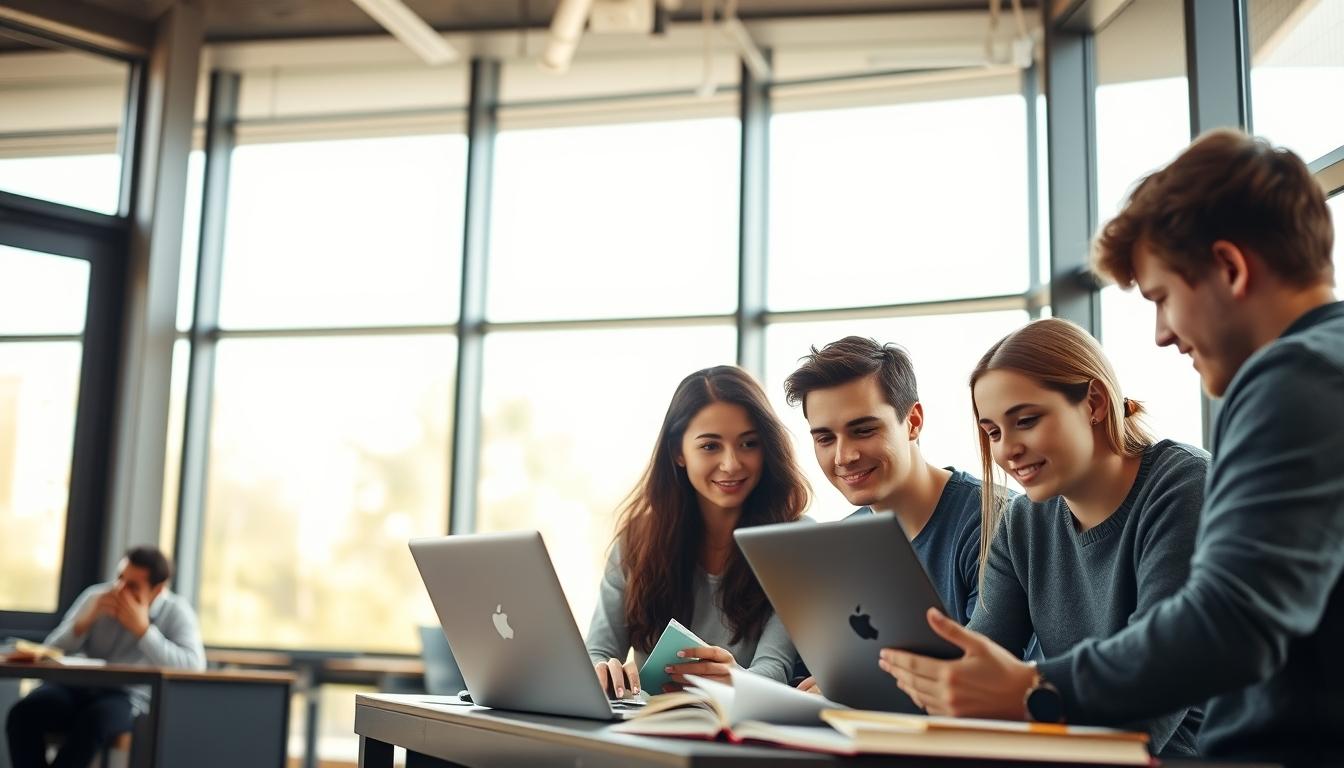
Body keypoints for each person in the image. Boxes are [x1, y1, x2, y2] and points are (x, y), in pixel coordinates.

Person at [879, 129, 1342, 764]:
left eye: (1161, 298)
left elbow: (1228, 623)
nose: (1160, 335)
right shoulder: (1320, 372)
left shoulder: (1293, 381)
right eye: (992, 430)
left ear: (1231, 269)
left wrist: (1037, 689)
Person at [898, 318, 1208, 754]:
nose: (1007, 450)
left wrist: (1019, 695)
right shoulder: (1022, 522)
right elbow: (980, 663)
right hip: (1069, 750)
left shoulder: (1183, 486)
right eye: (993, 432)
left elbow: (1153, 704)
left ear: (1095, 402)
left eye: (1026, 420)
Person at [585, 366, 810, 698]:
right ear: (678, 452)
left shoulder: (795, 541)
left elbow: (774, 669)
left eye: (749, 444)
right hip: (650, 728)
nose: (732, 464)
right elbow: (598, 652)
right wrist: (604, 670)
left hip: (743, 726)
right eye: (710, 446)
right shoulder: (638, 540)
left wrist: (734, 677)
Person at [783, 337, 984, 631]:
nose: (843, 457)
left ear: (913, 422)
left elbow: (988, 668)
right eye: (825, 438)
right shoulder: (843, 542)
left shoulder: (990, 522)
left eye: (863, 430)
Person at [6, 546, 205, 768]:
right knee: (23, 713)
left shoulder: (176, 612)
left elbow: (193, 666)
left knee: (94, 721)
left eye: (132, 586)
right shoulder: (95, 596)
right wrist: (84, 622)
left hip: (125, 697)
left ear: (157, 590)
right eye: (119, 578)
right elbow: (50, 649)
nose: (119, 589)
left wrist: (144, 632)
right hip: (73, 687)